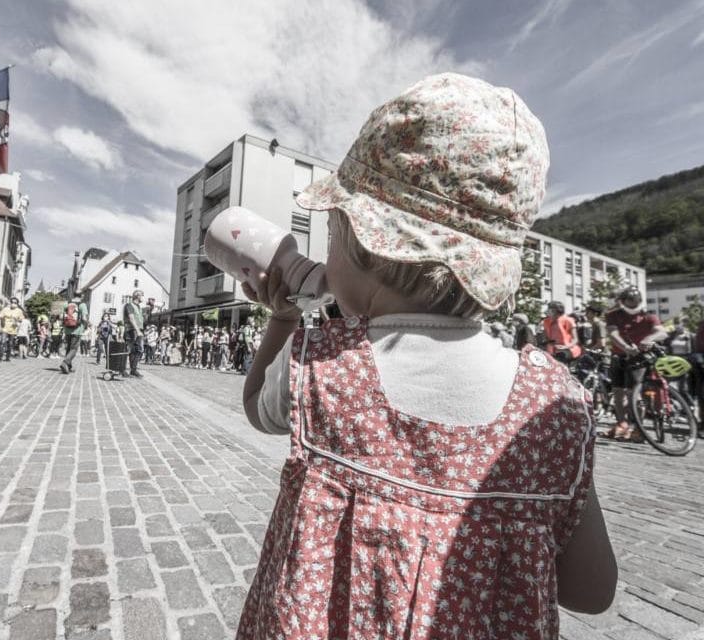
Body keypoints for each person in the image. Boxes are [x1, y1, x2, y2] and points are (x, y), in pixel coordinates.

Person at [237, 74, 615, 638]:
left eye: (334, 235)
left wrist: (284, 317)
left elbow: (252, 405)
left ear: (366, 242)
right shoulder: (554, 405)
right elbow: (592, 590)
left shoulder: (318, 366)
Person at [604, 286, 668, 441]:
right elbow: (612, 333)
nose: (633, 304)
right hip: (618, 356)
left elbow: (662, 332)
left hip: (639, 357)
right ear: (623, 301)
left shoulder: (647, 316)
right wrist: (625, 347)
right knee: (618, 391)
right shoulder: (613, 315)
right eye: (630, 301)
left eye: (636, 301)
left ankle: (638, 429)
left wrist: (648, 339)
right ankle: (622, 424)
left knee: (634, 393)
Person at [59, 296, 88, 374]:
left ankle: (68, 366)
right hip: (77, 330)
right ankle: (65, 362)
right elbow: (84, 318)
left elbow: (61, 316)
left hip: (67, 330)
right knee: (74, 349)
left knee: (69, 348)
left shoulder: (66, 303)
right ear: (81, 296)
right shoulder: (82, 304)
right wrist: (86, 325)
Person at [122, 289, 145, 377]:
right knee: (128, 350)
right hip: (131, 330)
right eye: (142, 295)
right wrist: (138, 330)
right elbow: (131, 318)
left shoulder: (139, 307)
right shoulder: (129, 305)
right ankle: (122, 370)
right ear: (137, 296)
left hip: (138, 331)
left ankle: (133, 370)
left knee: (137, 351)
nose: (143, 297)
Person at [0, 297, 24, 362]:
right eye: (12, 302)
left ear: (17, 304)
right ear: (10, 302)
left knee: (10, 343)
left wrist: (17, 323)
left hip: (13, 330)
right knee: (2, 342)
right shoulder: (5, 309)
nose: (13, 304)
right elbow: (0, 318)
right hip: (5, 328)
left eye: (15, 303)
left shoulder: (19, 311)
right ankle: (0, 357)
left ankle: (7, 357)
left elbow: (21, 320)